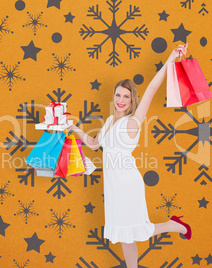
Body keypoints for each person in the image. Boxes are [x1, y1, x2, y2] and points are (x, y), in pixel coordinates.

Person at [67, 44, 191, 268]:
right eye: (118, 95)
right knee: (125, 234)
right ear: (113, 96)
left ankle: (176, 226)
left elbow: (152, 88)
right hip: (113, 185)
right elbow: (95, 145)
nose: (121, 100)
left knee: (135, 229)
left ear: (132, 99)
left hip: (128, 183)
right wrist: (73, 127)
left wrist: (170, 60)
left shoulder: (132, 122)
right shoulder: (108, 122)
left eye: (126, 96)